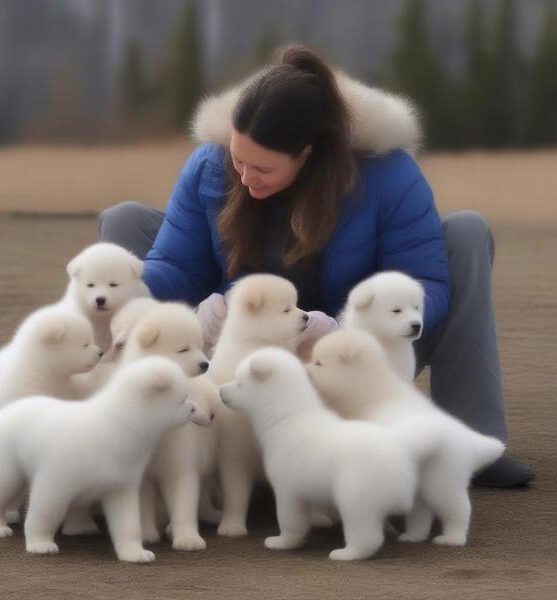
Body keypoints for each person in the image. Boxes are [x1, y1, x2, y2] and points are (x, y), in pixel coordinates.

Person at [99, 45, 533, 488]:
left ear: (307, 155)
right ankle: (119, 426)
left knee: (466, 233)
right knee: (124, 224)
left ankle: (474, 444)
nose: (245, 178)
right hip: (235, 358)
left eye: (263, 167)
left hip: (353, 361)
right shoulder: (211, 165)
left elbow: (426, 285)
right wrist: (138, 301)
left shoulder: (389, 175)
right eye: (238, 159)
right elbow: (176, 262)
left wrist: (353, 331)